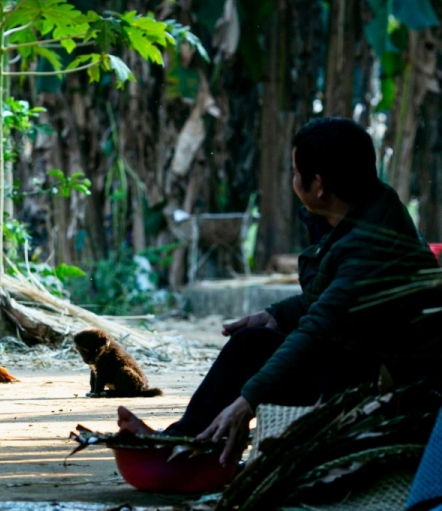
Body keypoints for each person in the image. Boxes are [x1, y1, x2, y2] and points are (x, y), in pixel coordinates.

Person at [119, 117, 442, 464]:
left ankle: (191, 444)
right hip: (367, 358)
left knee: (259, 349)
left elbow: (319, 328)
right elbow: (335, 298)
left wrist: (247, 402)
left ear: (318, 185)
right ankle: (189, 436)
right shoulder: (370, 208)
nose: (291, 180)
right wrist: (275, 314)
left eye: (294, 170)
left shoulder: (369, 243)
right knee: (252, 341)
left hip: (393, 385)